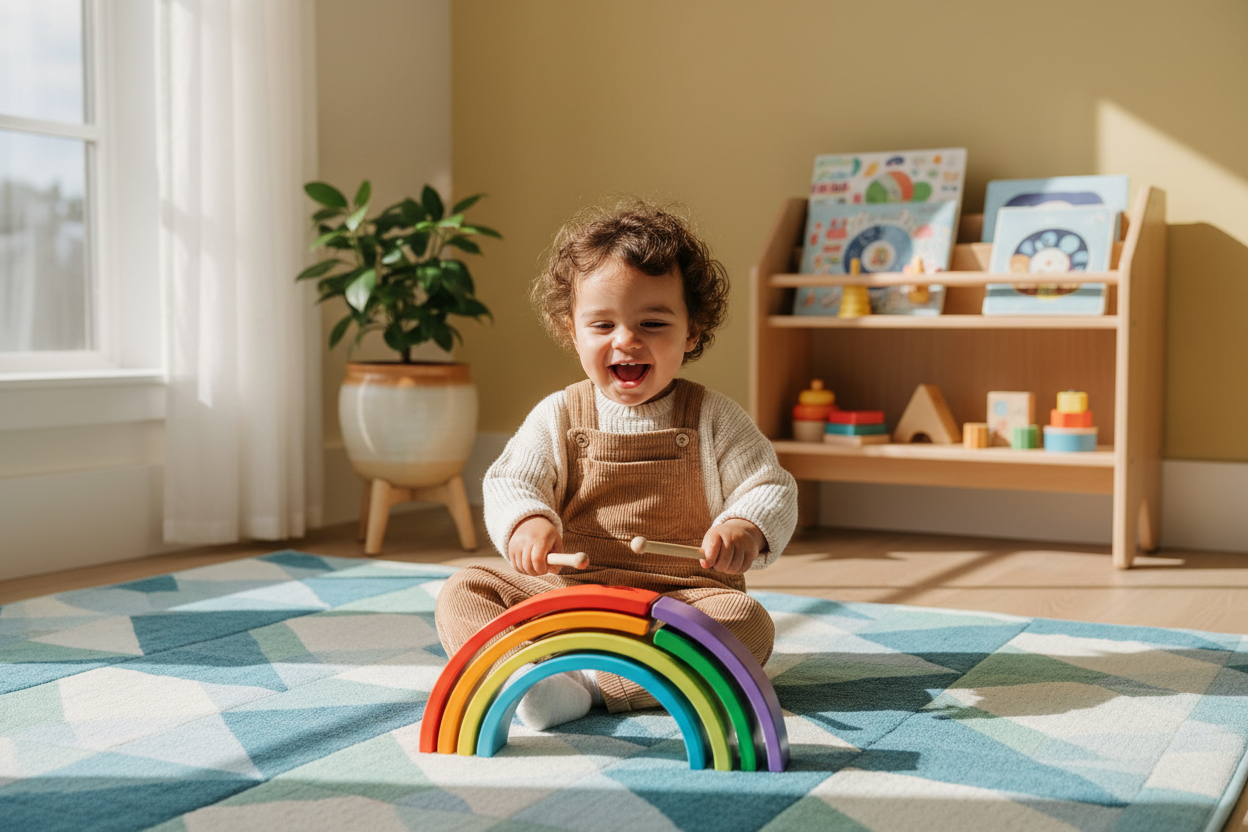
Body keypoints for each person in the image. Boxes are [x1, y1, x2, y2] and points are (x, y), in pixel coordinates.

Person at [434, 198, 798, 730]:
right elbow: (512, 480)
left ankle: (585, 685)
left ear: (691, 331)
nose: (626, 340)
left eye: (652, 322)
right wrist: (527, 522)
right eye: (602, 324)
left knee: (748, 625)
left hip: (680, 606)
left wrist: (746, 526)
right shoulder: (559, 414)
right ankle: (521, 673)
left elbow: (769, 487)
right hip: (571, 597)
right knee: (464, 590)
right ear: (572, 331)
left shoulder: (716, 418)